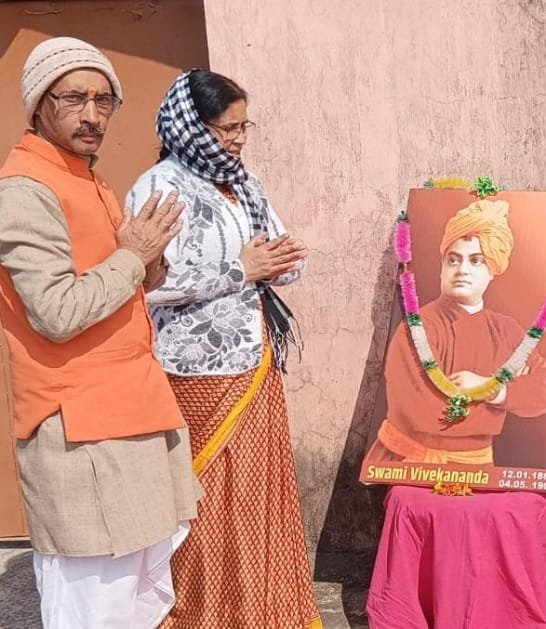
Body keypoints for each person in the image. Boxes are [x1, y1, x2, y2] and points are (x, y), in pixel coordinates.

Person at [0, 36, 199, 627]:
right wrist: (133, 257)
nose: (92, 115)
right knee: (92, 603)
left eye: (104, 99)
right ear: (39, 104)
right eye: (74, 98)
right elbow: (57, 312)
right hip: (79, 425)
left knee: (133, 596)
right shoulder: (25, 191)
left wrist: (148, 263)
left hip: (129, 409)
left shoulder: (87, 179)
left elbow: (114, 282)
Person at [124, 69, 318, 628]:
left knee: (256, 493)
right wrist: (241, 269)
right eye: (225, 128)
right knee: (206, 496)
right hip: (195, 369)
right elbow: (147, 281)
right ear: (191, 126)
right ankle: (202, 615)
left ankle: (262, 610)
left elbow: (278, 253)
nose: (236, 139)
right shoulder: (160, 188)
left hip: (255, 359)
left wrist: (280, 263)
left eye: (243, 127)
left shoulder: (243, 183)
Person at [366, 199, 546, 465]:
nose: (462, 270)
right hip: (409, 464)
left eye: (476, 261)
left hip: (478, 467)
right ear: (442, 267)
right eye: (453, 260)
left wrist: (491, 389)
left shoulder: (506, 331)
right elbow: (423, 414)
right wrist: (510, 391)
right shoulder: (417, 328)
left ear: (492, 270)